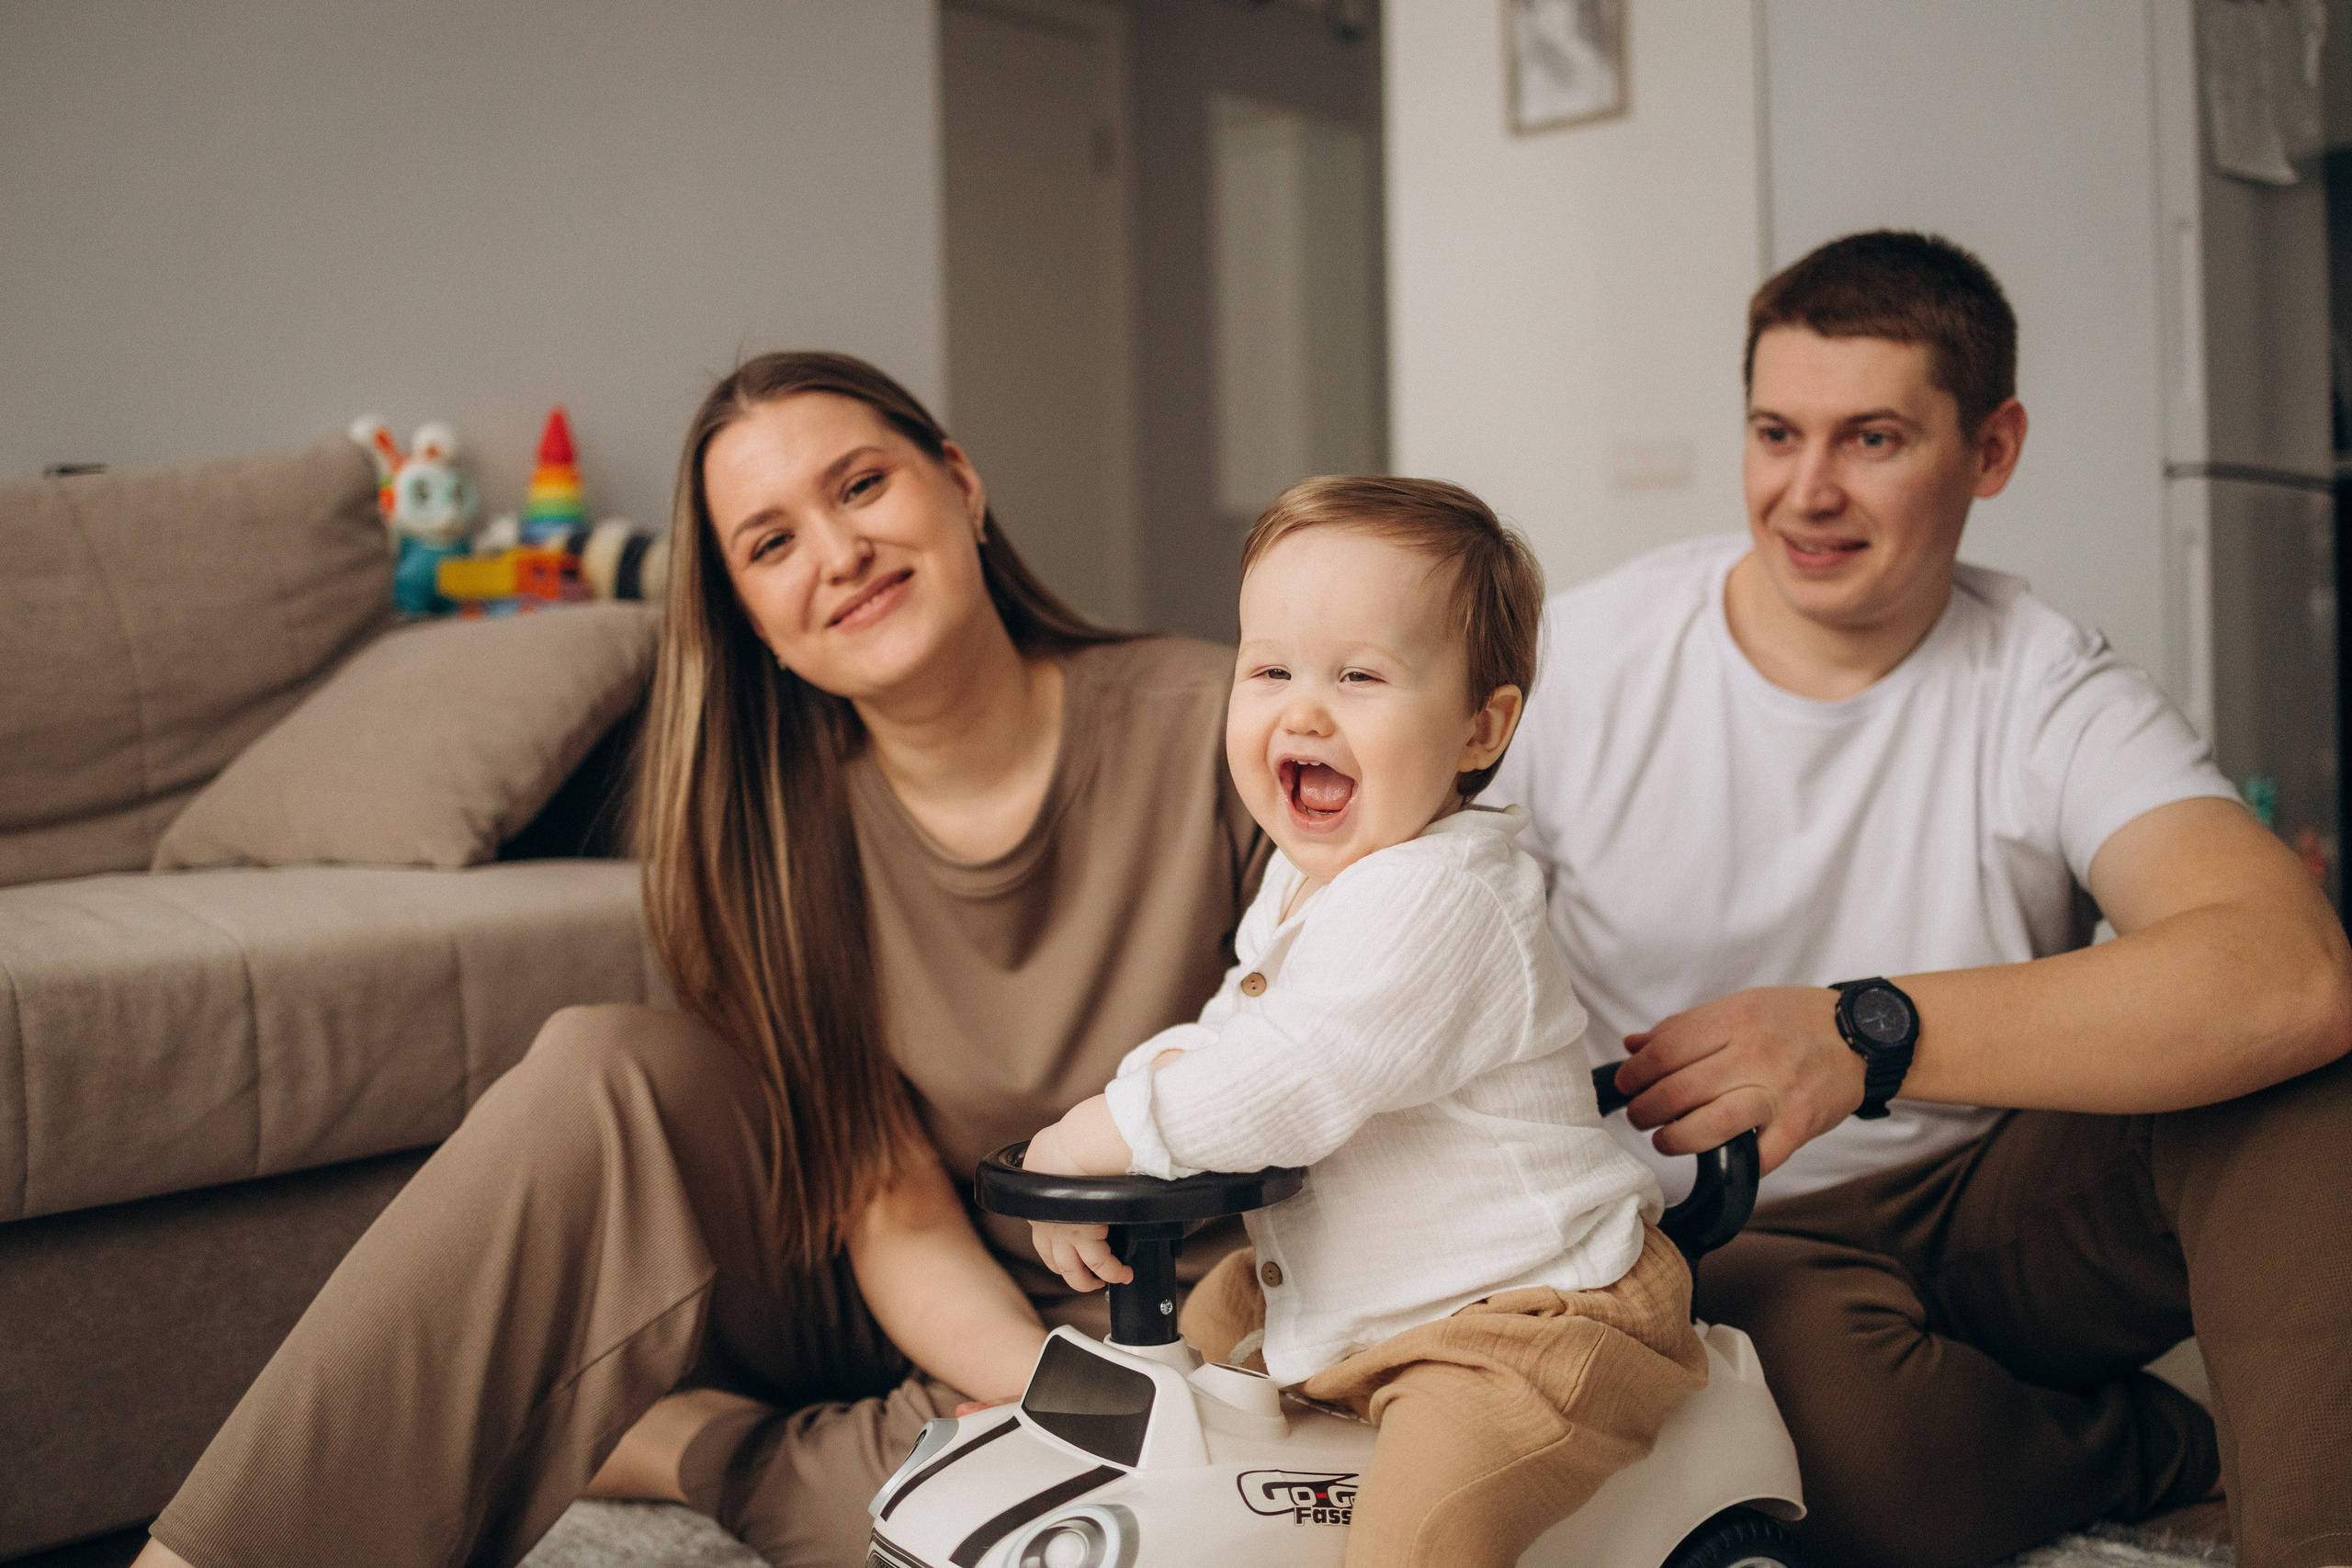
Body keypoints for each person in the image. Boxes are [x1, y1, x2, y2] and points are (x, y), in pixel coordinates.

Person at [131, 352, 1268, 1568]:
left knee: (1021, 1531)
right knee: (601, 1065)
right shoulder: (764, 837)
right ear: (752, 621)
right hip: (920, 1299)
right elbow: (886, 1205)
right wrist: (1066, 1403)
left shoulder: (1227, 723)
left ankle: (701, 1446)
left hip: (1214, 1315)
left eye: (863, 485)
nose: (836, 553)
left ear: (960, 484)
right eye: (771, 544)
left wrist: (1149, 1406)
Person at [1487, 231, 2352, 1568]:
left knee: (2301, 1071)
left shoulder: (2049, 680)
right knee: (1840, 1462)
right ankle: (2156, 1445)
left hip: (2000, 1205)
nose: (1808, 491)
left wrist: (1865, 1029)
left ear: (1991, 450)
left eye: (1873, 439)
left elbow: (2291, 969)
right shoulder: (1584, 659)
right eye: (1778, 432)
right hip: (1719, 1222)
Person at [1017, 476, 1705, 1568]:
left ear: (1481, 728)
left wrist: (1101, 1131)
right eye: (1270, 670)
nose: (1302, 710)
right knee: (1188, 1354)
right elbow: (1230, 1039)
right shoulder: (1306, 880)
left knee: (1419, 1530)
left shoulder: (1445, 896)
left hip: (1522, 1322)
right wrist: (1112, 1125)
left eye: (1359, 676)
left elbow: (1292, 1078)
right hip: (1357, 1283)